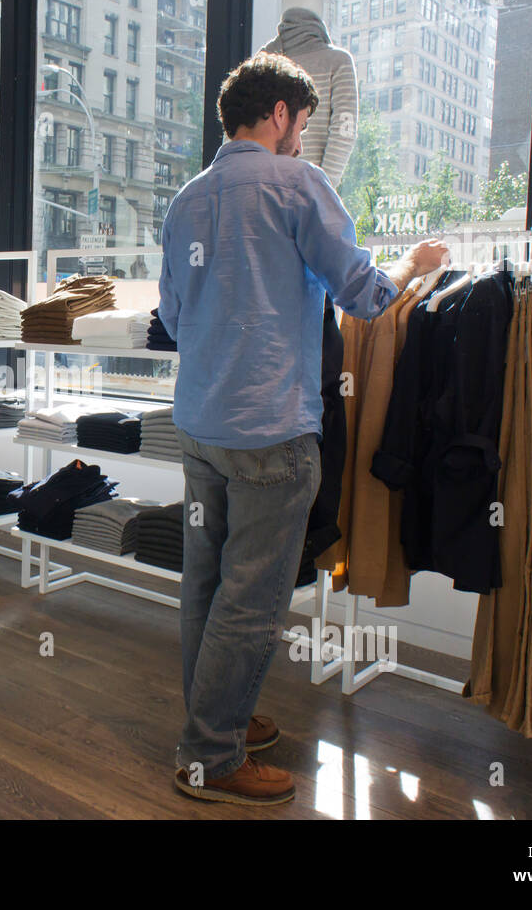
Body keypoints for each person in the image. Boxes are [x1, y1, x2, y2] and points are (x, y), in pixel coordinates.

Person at [158, 51, 449, 806]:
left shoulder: (187, 198)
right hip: (270, 429)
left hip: (199, 424)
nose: (303, 139)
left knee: (207, 584)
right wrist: (416, 265)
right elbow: (363, 293)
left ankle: (215, 716)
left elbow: (172, 317)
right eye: (303, 123)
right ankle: (208, 757)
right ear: (281, 114)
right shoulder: (297, 186)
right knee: (250, 599)